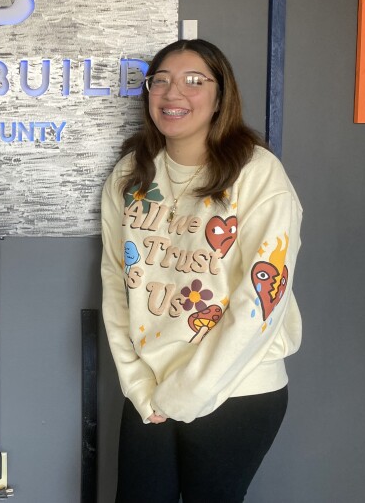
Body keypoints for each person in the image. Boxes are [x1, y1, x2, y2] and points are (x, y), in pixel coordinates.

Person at [100, 39, 302, 502]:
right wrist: (137, 384)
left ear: (220, 96)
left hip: (237, 389)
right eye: (162, 81)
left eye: (195, 81)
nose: (174, 94)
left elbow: (263, 297)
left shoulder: (256, 173)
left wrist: (187, 395)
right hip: (150, 388)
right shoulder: (131, 174)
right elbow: (116, 281)